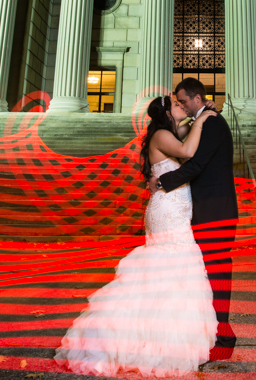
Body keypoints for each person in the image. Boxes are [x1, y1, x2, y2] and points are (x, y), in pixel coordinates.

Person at [55, 95, 219, 376]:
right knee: (169, 267)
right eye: (177, 105)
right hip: (167, 212)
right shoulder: (163, 135)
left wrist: (197, 115)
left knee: (170, 273)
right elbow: (189, 151)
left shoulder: (168, 131)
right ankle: (127, 340)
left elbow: (186, 132)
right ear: (166, 112)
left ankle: (162, 339)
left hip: (173, 209)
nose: (182, 106)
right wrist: (202, 119)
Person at [148, 77, 237, 361]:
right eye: (177, 104)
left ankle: (224, 336)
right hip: (201, 208)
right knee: (204, 273)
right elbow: (182, 135)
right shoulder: (199, 121)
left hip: (215, 209)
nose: (182, 107)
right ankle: (207, 332)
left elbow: (196, 164)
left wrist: (163, 182)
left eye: (184, 101)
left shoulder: (211, 122)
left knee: (218, 270)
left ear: (197, 99)